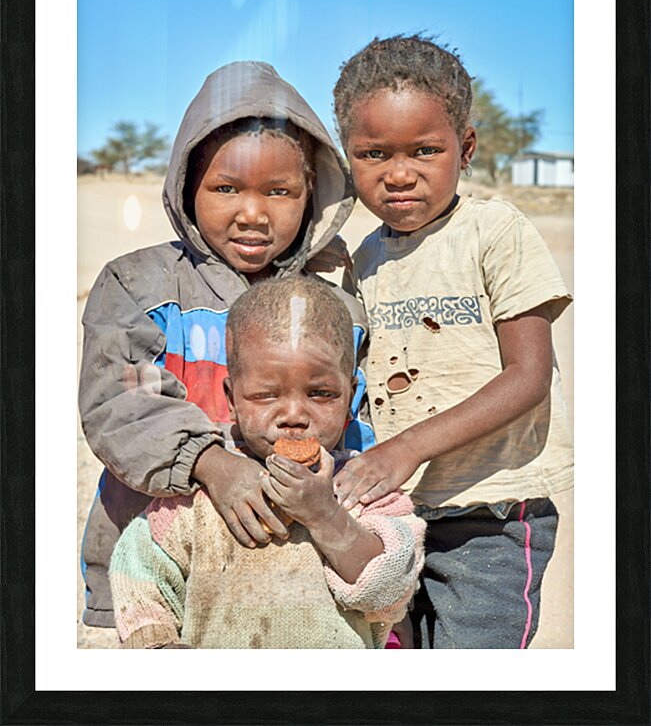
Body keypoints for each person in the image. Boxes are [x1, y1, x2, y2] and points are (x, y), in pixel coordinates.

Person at [79, 61, 374, 629]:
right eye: (226, 188)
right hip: (153, 584)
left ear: (312, 196)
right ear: (187, 188)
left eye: (280, 191)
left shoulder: (334, 305)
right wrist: (210, 463)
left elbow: (355, 425)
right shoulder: (138, 286)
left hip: (298, 588)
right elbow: (119, 403)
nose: (253, 213)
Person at [331, 35, 573, 649]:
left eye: (425, 150)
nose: (399, 173)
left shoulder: (495, 233)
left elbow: (527, 376)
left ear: (464, 148)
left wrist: (407, 448)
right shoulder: (366, 260)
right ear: (347, 158)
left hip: (492, 515)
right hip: (398, 517)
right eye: (374, 154)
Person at [109, 277, 425, 649]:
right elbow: (139, 569)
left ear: (350, 394)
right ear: (232, 398)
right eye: (265, 395)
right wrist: (155, 644)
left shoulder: (366, 492)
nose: (293, 415)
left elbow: (389, 594)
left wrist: (325, 515)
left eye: (321, 394)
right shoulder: (202, 494)